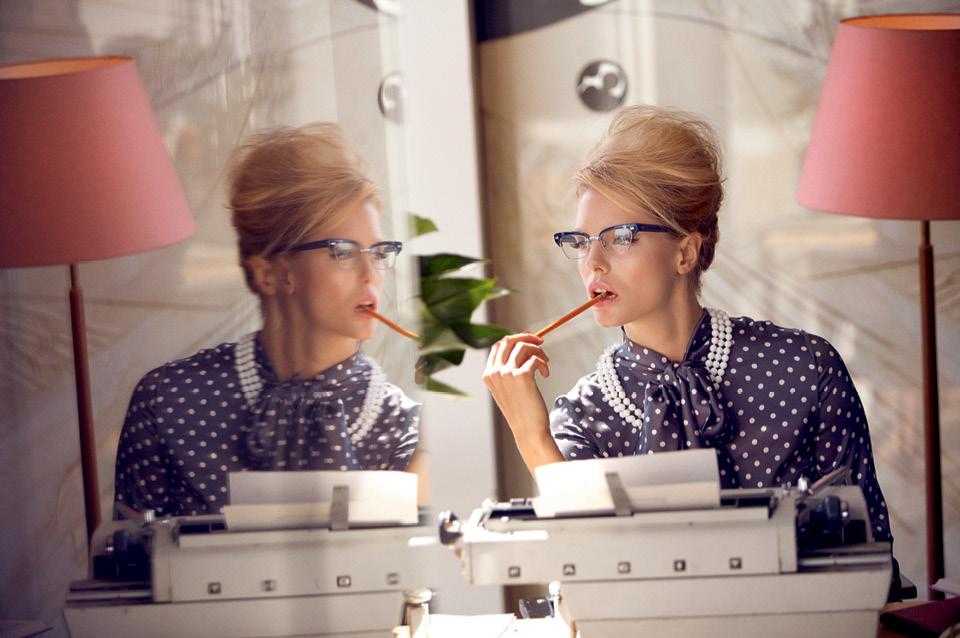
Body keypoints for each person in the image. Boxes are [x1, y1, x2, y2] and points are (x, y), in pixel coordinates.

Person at [482, 105, 893, 547]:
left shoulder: (805, 368)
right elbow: (587, 566)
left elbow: (867, 552)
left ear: (686, 252)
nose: (593, 263)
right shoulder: (584, 416)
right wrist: (531, 435)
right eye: (581, 242)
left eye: (620, 238)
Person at [114, 123, 419, 517]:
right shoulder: (168, 401)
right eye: (342, 252)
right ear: (268, 274)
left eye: (378, 252)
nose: (371, 274)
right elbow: (133, 553)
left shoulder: (406, 428)